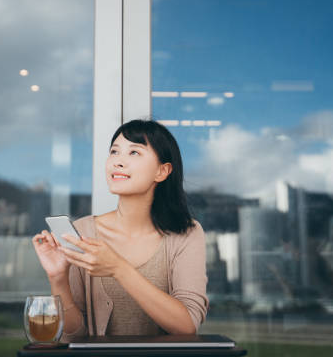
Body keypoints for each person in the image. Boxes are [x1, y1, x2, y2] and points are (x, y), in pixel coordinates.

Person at [32, 119, 208, 339]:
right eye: (114, 152)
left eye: (134, 153)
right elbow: (74, 335)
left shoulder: (187, 233)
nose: (118, 161)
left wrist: (118, 268)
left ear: (162, 171)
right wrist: (58, 279)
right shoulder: (82, 231)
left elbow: (187, 325)